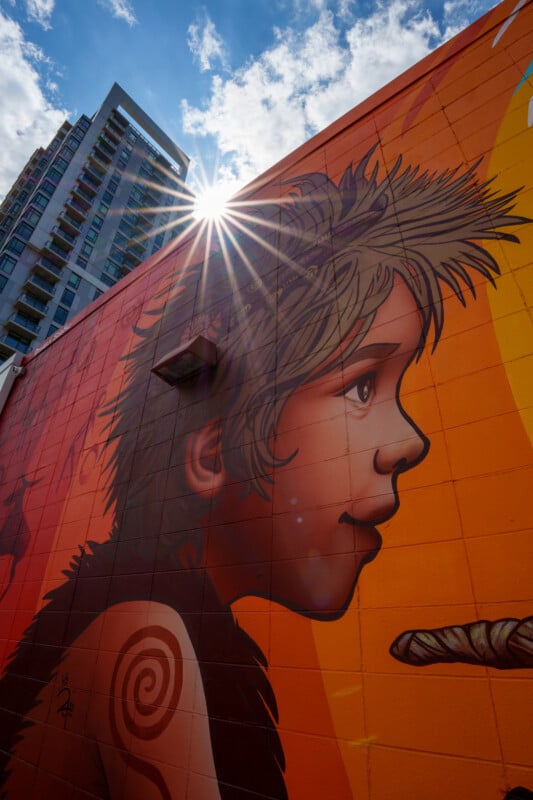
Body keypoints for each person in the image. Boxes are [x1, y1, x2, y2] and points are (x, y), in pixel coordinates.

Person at [0, 146, 527, 799]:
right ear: (210, 454)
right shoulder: (145, 640)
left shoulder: (164, 623)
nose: (408, 442)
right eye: (361, 385)